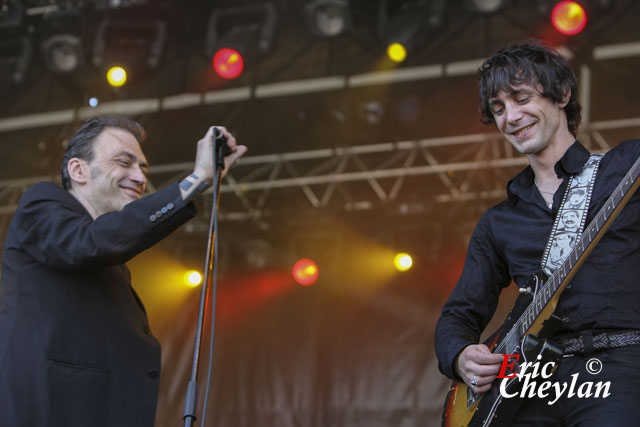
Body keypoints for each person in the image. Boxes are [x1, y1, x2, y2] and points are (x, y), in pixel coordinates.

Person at [435, 40, 640, 424]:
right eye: (499, 109)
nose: (511, 117)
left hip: (620, 368)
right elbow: (458, 315)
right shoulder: (499, 221)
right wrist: (461, 355)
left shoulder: (625, 168)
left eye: (521, 98)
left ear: (561, 94)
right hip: (529, 385)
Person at [0, 116, 247, 426]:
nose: (139, 176)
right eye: (124, 162)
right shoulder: (42, 203)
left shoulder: (110, 260)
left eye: (142, 167)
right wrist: (196, 180)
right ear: (78, 170)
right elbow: (89, 243)